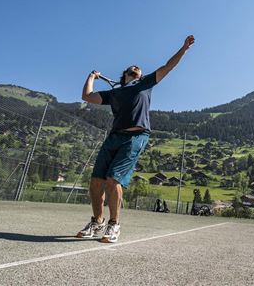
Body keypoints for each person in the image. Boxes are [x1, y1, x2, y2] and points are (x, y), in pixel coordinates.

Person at [76, 35, 195, 243]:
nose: (137, 67)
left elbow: (168, 66)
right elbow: (87, 96)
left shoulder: (145, 84)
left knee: (113, 180)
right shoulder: (113, 94)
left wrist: (183, 48)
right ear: (125, 75)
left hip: (136, 137)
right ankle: (97, 222)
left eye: (138, 68)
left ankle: (114, 225)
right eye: (133, 67)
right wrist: (92, 77)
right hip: (113, 138)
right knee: (96, 182)